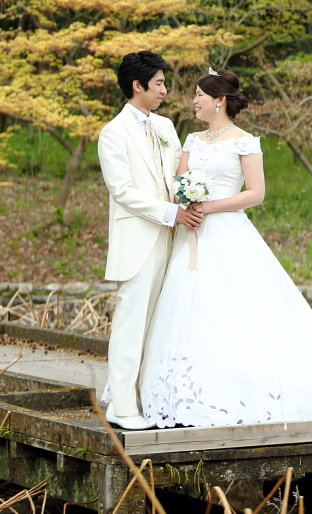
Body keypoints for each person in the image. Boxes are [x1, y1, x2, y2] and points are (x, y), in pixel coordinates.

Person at [140, 67, 312, 428]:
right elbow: (178, 182)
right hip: (191, 235)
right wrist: (186, 200)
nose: (193, 100)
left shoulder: (244, 141)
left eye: (199, 95)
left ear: (219, 101)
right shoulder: (191, 140)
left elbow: (255, 193)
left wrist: (208, 205)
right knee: (187, 309)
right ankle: (180, 397)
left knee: (234, 312)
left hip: (227, 233)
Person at [97, 50, 203, 430]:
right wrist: (172, 211)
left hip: (171, 239)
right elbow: (122, 191)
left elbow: (176, 176)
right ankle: (121, 406)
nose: (164, 89)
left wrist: (191, 196)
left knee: (160, 324)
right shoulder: (112, 133)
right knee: (131, 321)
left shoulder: (165, 127)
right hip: (139, 239)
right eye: (158, 83)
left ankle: (150, 401)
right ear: (137, 86)